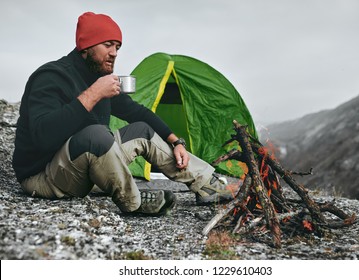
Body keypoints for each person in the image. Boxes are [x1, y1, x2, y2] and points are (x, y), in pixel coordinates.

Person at [12, 12, 236, 216]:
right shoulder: (50, 77)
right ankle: (134, 202)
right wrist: (93, 95)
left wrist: (176, 141)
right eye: (108, 45)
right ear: (85, 47)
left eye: (118, 46)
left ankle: (207, 183)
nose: (114, 53)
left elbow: (137, 112)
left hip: (84, 168)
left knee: (141, 130)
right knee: (96, 134)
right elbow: (43, 136)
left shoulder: (98, 77)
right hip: (44, 177)